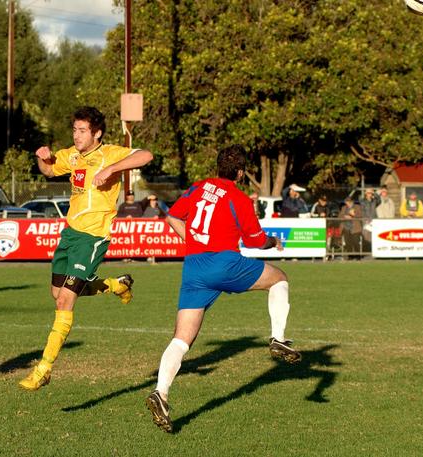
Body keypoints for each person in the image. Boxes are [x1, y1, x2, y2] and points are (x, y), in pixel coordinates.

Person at [144, 145, 301, 433]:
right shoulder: (239, 198)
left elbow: (173, 218)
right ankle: (278, 338)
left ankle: (161, 392)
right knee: (279, 278)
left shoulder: (197, 188)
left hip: (194, 268)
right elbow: (255, 241)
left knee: (182, 338)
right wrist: (273, 242)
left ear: (217, 167)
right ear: (240, 173)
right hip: (224, 263)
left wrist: (192, 242)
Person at [18, 106, 153, 391]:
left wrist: (112, 169)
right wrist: (43, 160)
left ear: (97, 133)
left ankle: (43, 369)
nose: (76, 135)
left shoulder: (111, 153)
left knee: (64, 301)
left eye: (82, 131)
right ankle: (116, 285)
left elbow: (146, 155)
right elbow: (50, 170)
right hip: (70, 234)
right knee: (57, 293)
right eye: (75, 130)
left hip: (93, 237)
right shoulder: (73, 155)